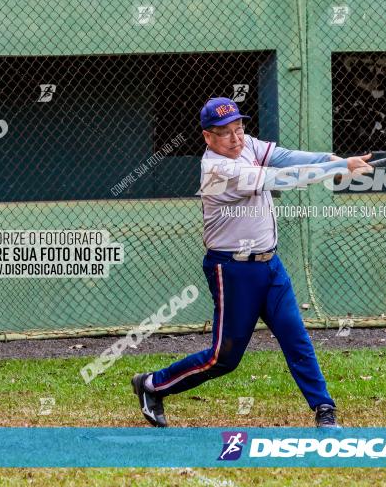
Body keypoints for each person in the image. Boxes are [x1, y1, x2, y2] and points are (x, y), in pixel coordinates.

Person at [132, 97, 373, 428]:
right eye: (225, 133)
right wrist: (336, 169)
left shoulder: (245, 145)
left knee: (295, 336)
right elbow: (280, 178)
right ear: (207, 137)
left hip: (270, 266)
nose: (236, 138)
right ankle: (152, 385)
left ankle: (324, 409)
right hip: (232, 270)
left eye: (239, 128)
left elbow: (285, 157)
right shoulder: (218, 171)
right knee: (224, 358)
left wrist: (333, 158)